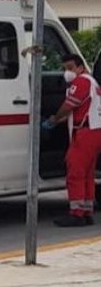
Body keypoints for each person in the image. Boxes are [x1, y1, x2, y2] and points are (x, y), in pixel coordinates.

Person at [44, 52, 101, 227]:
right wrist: (57, 120)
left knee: (75, 172)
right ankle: (86, 211)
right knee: (87, 174)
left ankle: (76, 213)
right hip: (93, 131)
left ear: (80, 67)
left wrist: (53, 119)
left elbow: (69, 105)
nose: (67, 72)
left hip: (84, 133)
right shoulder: (92, 83)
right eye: (64, 69)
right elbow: (77, 111)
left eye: (70, 68)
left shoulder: (82, 81)